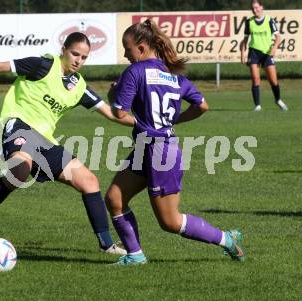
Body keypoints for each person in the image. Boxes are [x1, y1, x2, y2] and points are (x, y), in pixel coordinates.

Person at [0, 32, 135, 255]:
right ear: (64, 50)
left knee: (89, 181)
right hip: (18, 125)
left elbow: (112, 114)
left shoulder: (78, 86)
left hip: (45, 140)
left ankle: (107, 245)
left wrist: (147, 124)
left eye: (84, 57)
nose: (78, 60)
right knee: (19, 171)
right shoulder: (41, 65)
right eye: (75, 54)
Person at [105, 19, 245, 265]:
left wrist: (112, 94)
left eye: (127, 48)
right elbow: (203, 106)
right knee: (115, 199)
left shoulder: (135, 72)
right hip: (151, 148)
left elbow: (119, 113)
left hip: (158, 151)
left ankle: (227, 239)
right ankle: (135, 255)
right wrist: (173, 121)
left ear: (141, 47)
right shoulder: (173, 76)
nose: (125, 54)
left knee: (170, 222)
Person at [240, 0, 288, 112]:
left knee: (273, 81)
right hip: (254, 53)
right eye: (253, 8)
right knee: (256, 79)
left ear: (262, 7)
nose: (254, 10)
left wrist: (274, 48)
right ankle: (257, 106)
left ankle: (278, 99)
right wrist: (243, 52)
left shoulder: (269, 20)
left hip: (267, 53)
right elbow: (245, 40)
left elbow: (278, 38)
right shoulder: (249, 22)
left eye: (256, 7)